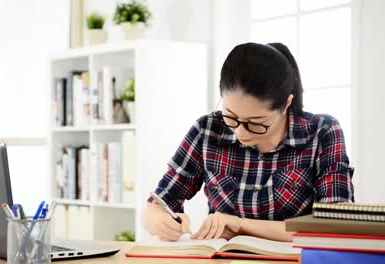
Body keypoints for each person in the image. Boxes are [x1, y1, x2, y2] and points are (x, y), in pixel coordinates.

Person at [141, 42, 354, 243]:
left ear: (286, 104)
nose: (240, 132)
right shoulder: (207, 129)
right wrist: (160, 222)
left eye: (255, 123)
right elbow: (156, 206)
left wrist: (240, 225)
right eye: (230, 116)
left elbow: (334, 225)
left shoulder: (321, 131)